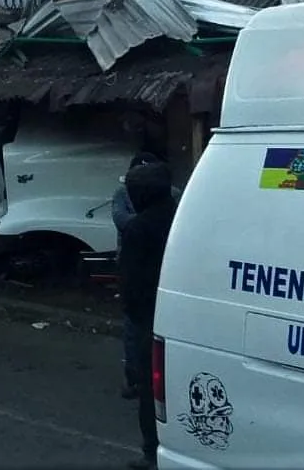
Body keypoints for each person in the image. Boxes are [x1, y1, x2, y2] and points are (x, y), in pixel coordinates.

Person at [118, 160, 177, 470]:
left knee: (151, 388)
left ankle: (151, 452)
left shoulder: (138, 228)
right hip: (179, 311)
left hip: (149, 318)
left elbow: (130, 282)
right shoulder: (180, 215)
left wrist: (133, 312)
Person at [112, 152, 182, 400]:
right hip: (167, 293)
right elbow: (119, 217)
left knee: (141, 341)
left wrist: (130, 303)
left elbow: (133, 279)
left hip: (147, 300)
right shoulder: (175, 216)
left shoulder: (142, 227)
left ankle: (139, 382)